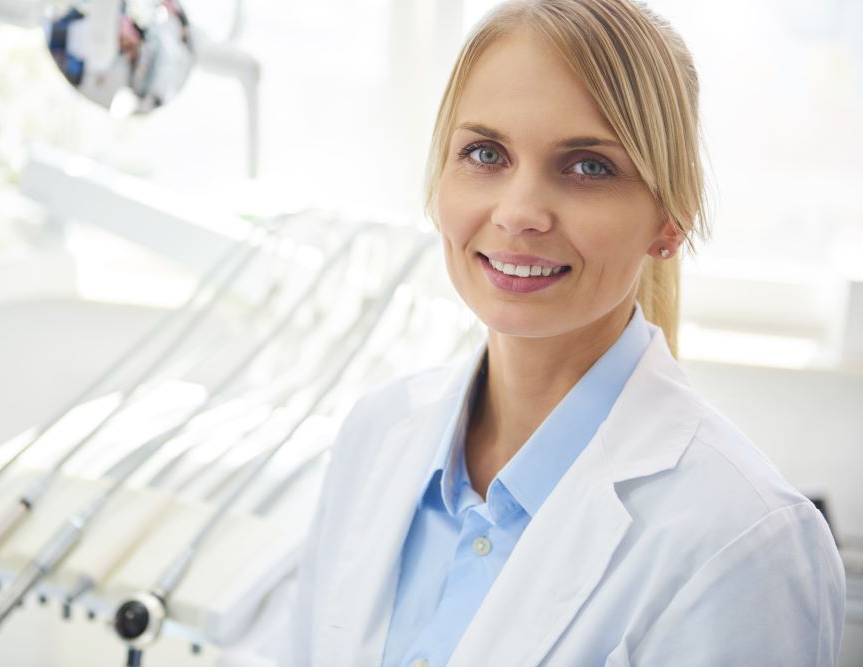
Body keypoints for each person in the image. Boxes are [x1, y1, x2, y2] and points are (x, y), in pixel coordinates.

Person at [282, 0, 846, 665]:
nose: (519, 213)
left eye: (588, 167)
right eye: (485, 153)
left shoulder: (743, 537)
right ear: (439, 182)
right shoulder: (375, 433)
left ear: (671, 219)